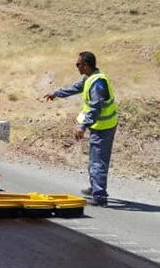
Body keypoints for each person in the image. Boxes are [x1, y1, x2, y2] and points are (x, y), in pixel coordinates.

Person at [42, 51, 118, 206]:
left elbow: (95, 107)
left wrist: (82, 126)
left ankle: (100, 195)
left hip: (104, 126)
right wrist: (56, 93)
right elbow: (75, 88)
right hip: (98, 125)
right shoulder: (90, 78)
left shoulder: (97, 83)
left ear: (85, 65)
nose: (76, 67)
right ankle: (95, 186)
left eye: (78, 64)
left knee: (98, 160)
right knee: (94, 158)